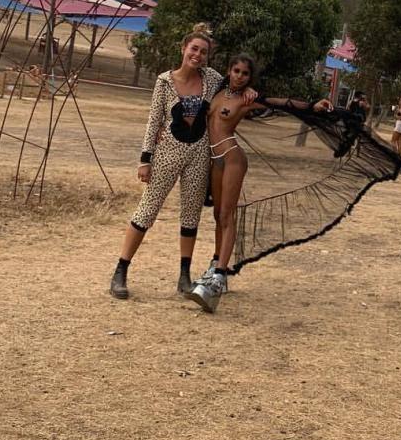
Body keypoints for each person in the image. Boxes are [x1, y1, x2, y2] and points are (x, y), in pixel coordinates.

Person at [109, 24, 257, 301]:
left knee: (191, 216)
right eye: (194, 49)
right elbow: (154, 121)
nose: (197, 55)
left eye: (203, 52)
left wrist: (249, 89)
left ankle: (184, 275)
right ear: (183, 49)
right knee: (147, 210)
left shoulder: (212, 79)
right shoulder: (165, 82)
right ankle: (121, 270)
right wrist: (145, 159)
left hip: (198, 154)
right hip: (168, 152)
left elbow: (236, 84)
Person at [188, 53, 332, 312]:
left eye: (245, 73)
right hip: (215, 160)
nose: (240, 76)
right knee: (218, 215)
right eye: (236, 71)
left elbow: (283, 103)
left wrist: (313, 106)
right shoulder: (216, 91)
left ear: (249, 77)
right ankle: (215, 265)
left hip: (232, 159)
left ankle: (219, 277)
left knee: (228, 215)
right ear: (229, 71)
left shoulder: (248, 99)